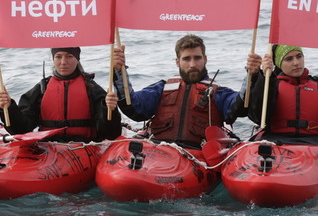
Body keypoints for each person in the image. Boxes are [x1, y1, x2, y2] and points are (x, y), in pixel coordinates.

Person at [111, 34, 262, 148]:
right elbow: (133, 108)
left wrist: (251, 74)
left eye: (197, 58)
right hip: (160, 150)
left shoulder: (219, 94)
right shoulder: (161, 89)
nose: (192, 64)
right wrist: (119, 71)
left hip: (198, 155)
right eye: (186, 59)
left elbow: (240, 107)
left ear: (205, 59)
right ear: (177, 61)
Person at [0, 47, 122, 142]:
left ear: (77, 59)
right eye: (58, 56)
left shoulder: (92, 89)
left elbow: (110, 134)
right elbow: (21, 129)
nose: (63, 62)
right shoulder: (41, 89)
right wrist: (8, 107)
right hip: (49, 146)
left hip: (85, 145)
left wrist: (110, 109)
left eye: (69, 56)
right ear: (53, 59)